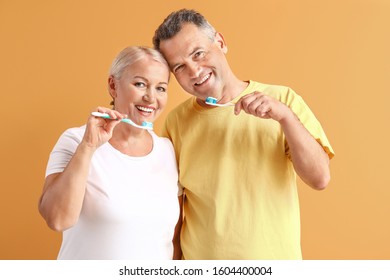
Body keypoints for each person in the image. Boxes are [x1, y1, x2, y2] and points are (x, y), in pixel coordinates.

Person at [152, 9, 335, 260]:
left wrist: (285, 117)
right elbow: (175, 213)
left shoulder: (283, 100)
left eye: (198, 53)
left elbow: (320, 178)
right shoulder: (175, 121)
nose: (194, 71)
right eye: (180, 67)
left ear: (220, 42)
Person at [38, 46, 182, 260]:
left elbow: (174, 240)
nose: (151, 98)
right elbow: (57, 219)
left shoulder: (168, 151)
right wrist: (88, 146)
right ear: (113, 86)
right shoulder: (76, 140)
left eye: (161, 88)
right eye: (140, 84)